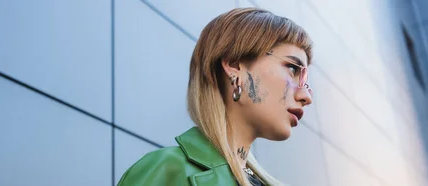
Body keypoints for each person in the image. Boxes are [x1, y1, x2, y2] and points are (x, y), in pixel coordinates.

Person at [117, 7, 314, 186]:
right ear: (235, 66)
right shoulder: (168, 171)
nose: (306, 96)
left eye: (305, 81)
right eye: (292, 68)